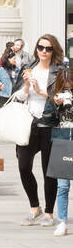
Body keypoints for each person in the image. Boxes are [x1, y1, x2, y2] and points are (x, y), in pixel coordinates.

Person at [12, 34, 62, 227]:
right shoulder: (29, 69)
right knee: (23, 166)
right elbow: (18, 97)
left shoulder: (59, 72)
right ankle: (35, 208)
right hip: (29, 125)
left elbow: (64, 99)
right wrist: (26, 86)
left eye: (48, 49)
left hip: (50, 125)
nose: (43, 51)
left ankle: (49, 212)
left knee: (49, 171)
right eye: (41, 47)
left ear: (53, 51)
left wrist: (43, 92)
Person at [49, 67, 73, 236]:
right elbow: (47, 117)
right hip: (61, 138)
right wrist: (55, 104)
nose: (67, 88)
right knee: (62, 185)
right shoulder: (54, 96)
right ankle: (62, 221)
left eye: (70, 86)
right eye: (64, 86)